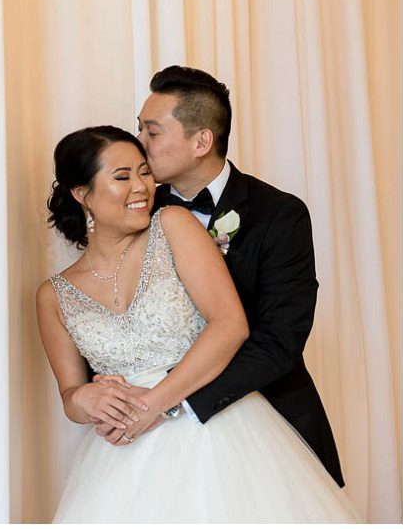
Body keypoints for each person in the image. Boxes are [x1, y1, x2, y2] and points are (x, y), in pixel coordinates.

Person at [36, 125, 359, 522]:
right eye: (122, 177)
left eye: (143, 171)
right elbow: (70, 394)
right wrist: (83, 401)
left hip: (220, 431)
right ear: (81, 192)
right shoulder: (53, 295)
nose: (141, 187)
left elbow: (229, 325)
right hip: (121, 460)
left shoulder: (173, 225)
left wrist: (152, 405)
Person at [93, 66, 344, 487]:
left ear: (201, 141)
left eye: (152, 133)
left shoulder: (279, 215)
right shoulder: (138, 212)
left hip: (264, 417)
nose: (139, 145)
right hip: (149, 434)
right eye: (139, 129)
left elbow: (279, 341)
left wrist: (174, 403)